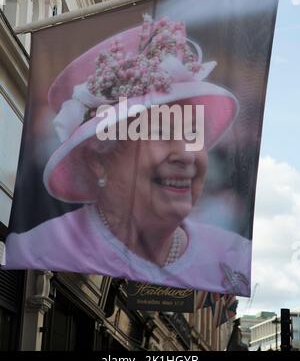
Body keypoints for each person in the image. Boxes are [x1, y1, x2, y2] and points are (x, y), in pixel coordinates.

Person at [4, 15, 251, 296]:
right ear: (99, 158)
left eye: (193, 133)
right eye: (158, 132)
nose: (186, 155)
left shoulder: (233, 258)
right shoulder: (39, 247)